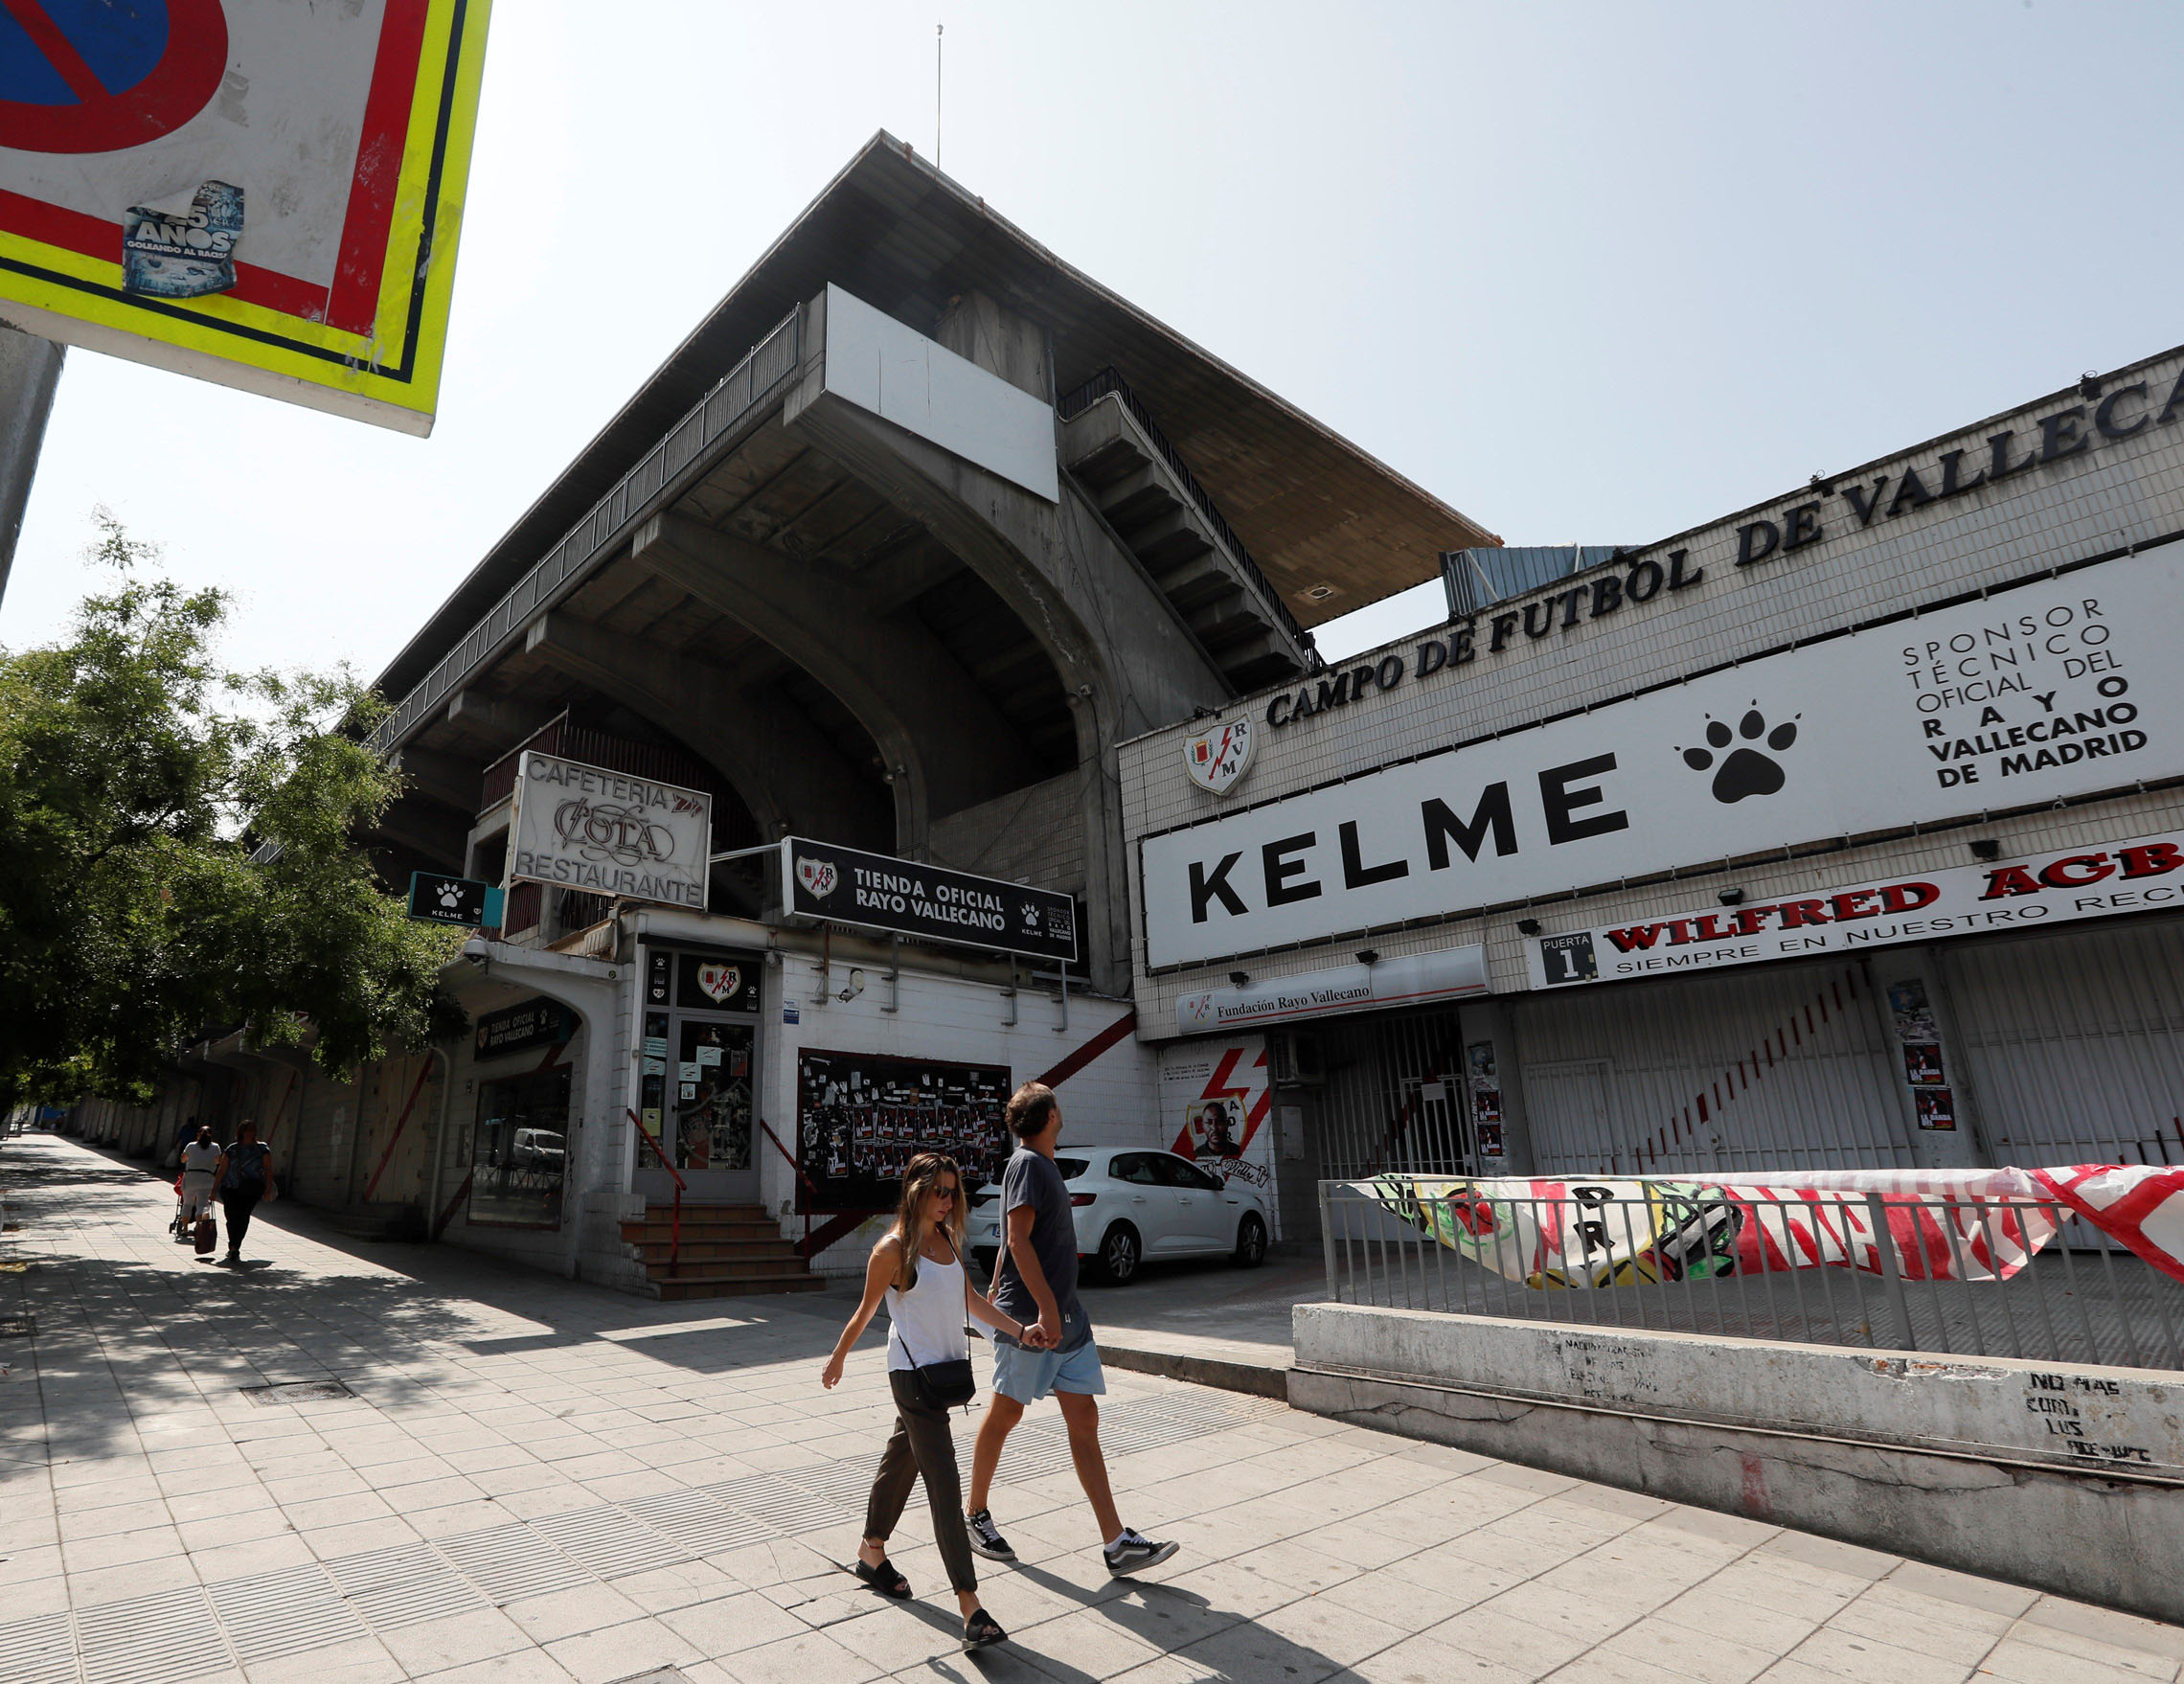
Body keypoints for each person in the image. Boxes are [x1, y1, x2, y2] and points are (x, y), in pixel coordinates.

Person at [822, 1152, 1037, 1654]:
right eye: (938, 1191)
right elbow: (865, 1312)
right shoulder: (892, 1250)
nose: (946, 1200)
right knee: (944, 1481)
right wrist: (838, 1358)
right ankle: (970, 1604)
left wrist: (1019, 1332)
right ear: (915, 1190)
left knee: (903, 1459)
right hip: (912, 1376)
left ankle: (871, 1551)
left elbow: (972, 1303)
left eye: (952, 1191)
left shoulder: (946, 1240)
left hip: (941, 1376)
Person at [965, 1082, 1178, 1578]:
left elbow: (1010, 1239)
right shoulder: (1027, 1165)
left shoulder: (1041, 1165)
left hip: (1068, 1321)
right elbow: (1017, 1239)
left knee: (1084, 1418)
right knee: (1006, 1414)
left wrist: (1004, 1285)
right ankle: (974, 1512)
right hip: (1037, 1323)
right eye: (1057, 1101)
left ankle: (1116, 1542)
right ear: (1051, 1114)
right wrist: (1039, 1310)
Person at [214, 1120, 276, 1266]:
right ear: (240, 1132)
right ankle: (233, 1245)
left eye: (252, 1130)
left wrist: (268, 1189)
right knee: (231, 1216)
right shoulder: (232, 1149)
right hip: (230, 1187)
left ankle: (235, 1246)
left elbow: (268, 1169)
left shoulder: (262, 1149)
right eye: (246, 1130)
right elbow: (222, 1169)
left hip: (251, 1188)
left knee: (243, 1216)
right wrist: (214, 1189)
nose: (249, 1133)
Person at [175, 1124, 222, 1243]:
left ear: (198, 1135)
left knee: (187, 1204)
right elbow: (218, 1162)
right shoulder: (215, 1147)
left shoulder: (191, 1146)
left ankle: (185, 1228)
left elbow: (183, 1159)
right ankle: (198, 1227)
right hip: (206, 1178)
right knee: (201, 1205)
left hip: (191, 1177)